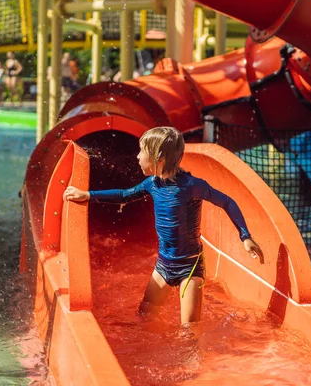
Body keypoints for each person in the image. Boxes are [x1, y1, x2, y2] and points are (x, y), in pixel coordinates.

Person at [63, 126, 263, 324]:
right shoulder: (153, 183)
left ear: (159, 159)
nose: (138, 157)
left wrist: (245, 236)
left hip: (189, 267)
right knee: (145, 316)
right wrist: (88, 195)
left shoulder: (192, 186)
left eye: (142, 152)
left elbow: (227, 202)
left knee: (189, 329)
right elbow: (124, 195)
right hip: (164, 265)